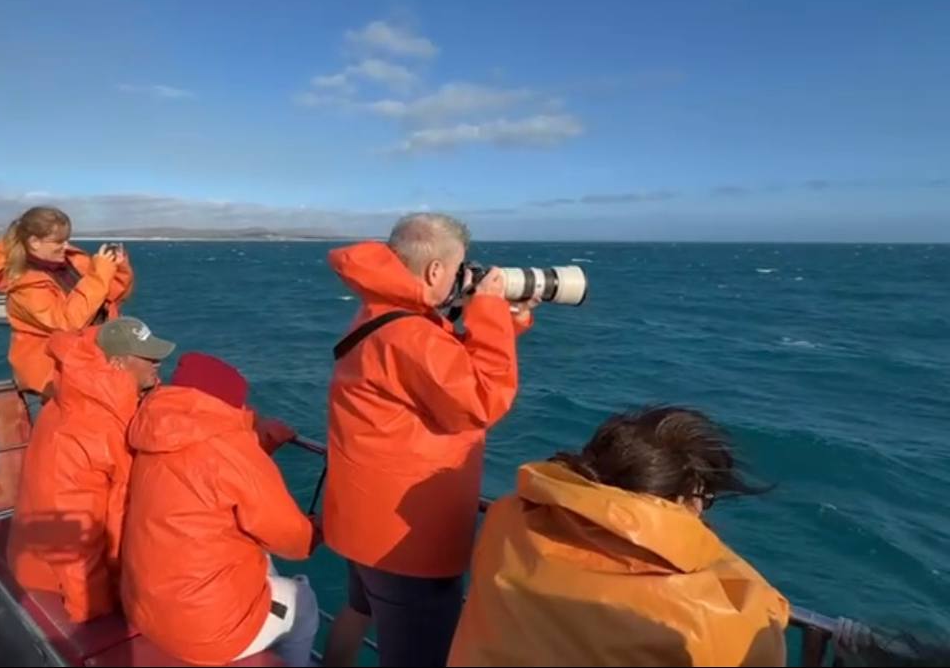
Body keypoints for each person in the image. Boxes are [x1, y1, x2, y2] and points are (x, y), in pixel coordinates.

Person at [321, 212, 534, 666]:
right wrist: (491, 312)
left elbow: (438, 370)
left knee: (359, 612)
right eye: (460, 269)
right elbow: (480, 399)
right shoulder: (411, 332)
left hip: (364, 519)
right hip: (406, 540)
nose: (465, 279)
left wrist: (502, 324)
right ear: (437, 270)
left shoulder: (382, 311)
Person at [448, 406, 790, 667]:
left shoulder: (508, 519)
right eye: (704, 499)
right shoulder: (710, 614)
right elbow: (763, 619)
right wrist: (691, 539)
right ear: (684, 500)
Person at [120, 353, 318, 667]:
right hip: (204, 633)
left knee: (261, 559)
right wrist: (323, 525)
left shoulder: (151, 432)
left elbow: (204, 478)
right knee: (303, 603)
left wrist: (259, 445)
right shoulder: (233, 451)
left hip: (145, 608)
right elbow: (295, 542)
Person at [7, 317, 174, 623]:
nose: (158, 362)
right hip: (57, 576)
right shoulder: (80, 434)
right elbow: (73, 539)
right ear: (119, 364)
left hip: (96, 557)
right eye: (148, 357)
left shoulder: (97, 402)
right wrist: (95, 612)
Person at [0, 206, 134, 397]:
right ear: (34, 242)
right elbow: (67, 322)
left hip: (90, 369)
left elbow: (111, 296)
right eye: (58, 241)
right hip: (52, 383)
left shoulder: (71, 263)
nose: (66, 246)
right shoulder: (24, 283)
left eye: (67, 239)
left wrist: (117, 269)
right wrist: (99, 274)